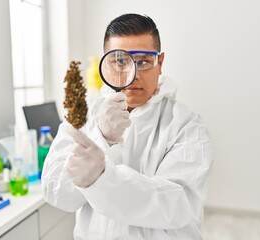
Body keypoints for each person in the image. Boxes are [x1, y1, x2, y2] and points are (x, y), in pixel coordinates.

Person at [41, 13, 213, 240]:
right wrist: (101, 138)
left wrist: (101, 177)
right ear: (106, 62)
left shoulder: (187, 125)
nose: (132, 75)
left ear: (159, 63)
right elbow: (56, 193)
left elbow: (177, 206)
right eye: (120, 61)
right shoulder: (83, 117)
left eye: (142, 61)